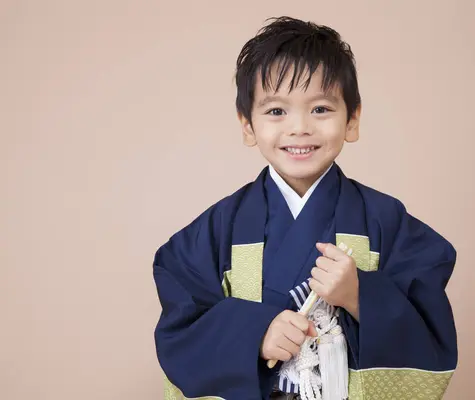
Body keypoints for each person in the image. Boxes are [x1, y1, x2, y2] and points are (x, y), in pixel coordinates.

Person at [152, 16, 458, 400]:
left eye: (320, 109)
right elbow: (182, 327)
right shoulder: (219, 228)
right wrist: (254, 333)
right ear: (247, 126)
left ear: (353, 119)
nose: (299, 128)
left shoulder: (385, 220)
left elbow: (427, 322)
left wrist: (360, 294)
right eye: (276, 112)